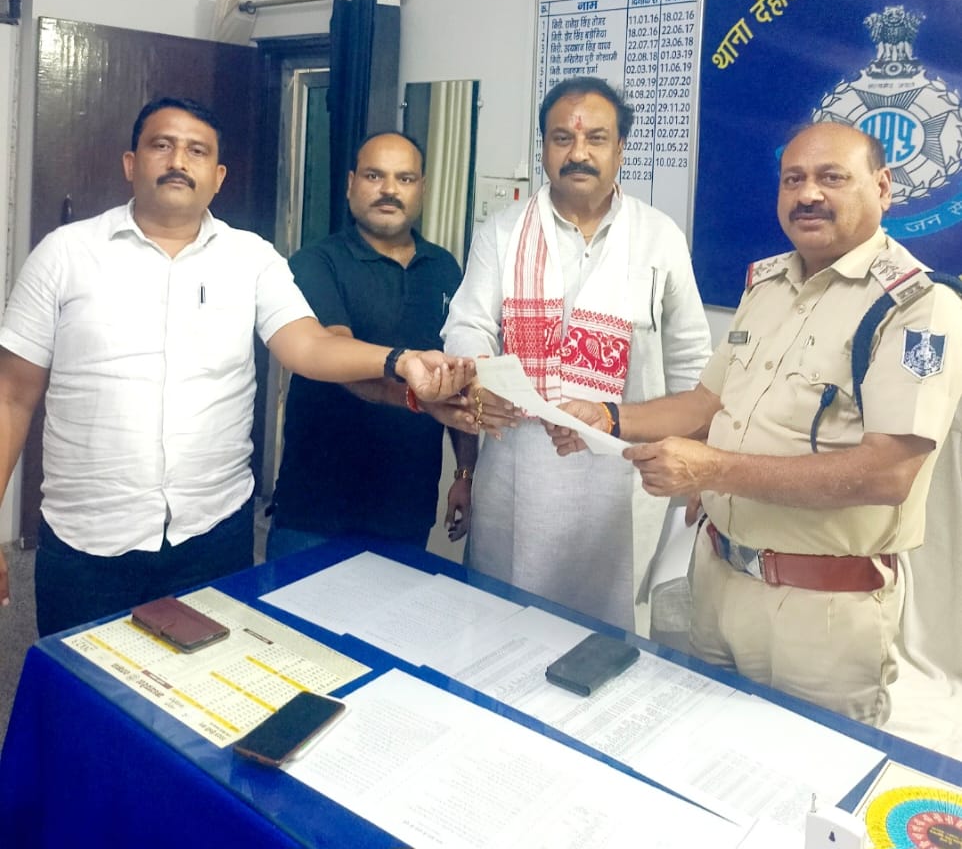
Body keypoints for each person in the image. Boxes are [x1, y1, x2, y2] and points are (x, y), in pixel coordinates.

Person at [0, 98, 472, 636]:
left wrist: (400, 361)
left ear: (218, 176)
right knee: (79, 681)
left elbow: (309, 346)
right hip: (87, 539)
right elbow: (11, 396)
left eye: (197, 151)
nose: (179, 161)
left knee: (208, 684)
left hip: (211, 538)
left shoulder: (251, 258)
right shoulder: (64, 255)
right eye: (162, 145)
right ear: (131, 163)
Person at [550, 121, 962, 724]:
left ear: (882, 187)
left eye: (831, 177)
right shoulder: (766, 286)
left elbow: (888, 474)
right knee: (700, 746)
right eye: (793, 179)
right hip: (716, 581)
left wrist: (711, 470)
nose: (808, 194)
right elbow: (706, 406)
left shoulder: (919, 308)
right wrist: (610, 417)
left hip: (820, 613)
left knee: (805, 770)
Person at [441, 76, 711, 628]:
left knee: (612, 632)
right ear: (544, 148)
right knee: (506, 626)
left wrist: (697, 463)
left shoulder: (659, 237)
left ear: (620, 150)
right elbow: (468, 325)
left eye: (596, 139)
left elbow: (691, 361)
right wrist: (481, 378)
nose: (578, 153)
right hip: (520, 467)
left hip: (626, 472)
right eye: (562, 138)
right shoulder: (502, 232)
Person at [267, 131, 474, 556]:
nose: (389, 190)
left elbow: (459, 376)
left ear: (422, 188)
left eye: (405, 178)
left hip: (406, 509)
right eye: (374, 176)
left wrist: (465, 474)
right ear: (350, 184)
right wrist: (414, 390)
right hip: (315, 509)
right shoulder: (316, 262)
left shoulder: (444, 268)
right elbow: (335, 355)